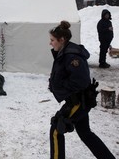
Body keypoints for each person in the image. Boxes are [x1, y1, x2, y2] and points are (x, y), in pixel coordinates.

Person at [48, 21, 115, 159]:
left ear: (62, 40)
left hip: (78, 101)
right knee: (85, 133)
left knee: (56, 129)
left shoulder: (72, 56)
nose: (50, 43)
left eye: (52, 40)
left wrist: (60, 86)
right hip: (79, 100)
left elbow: (81, 81)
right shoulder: (65, 52)